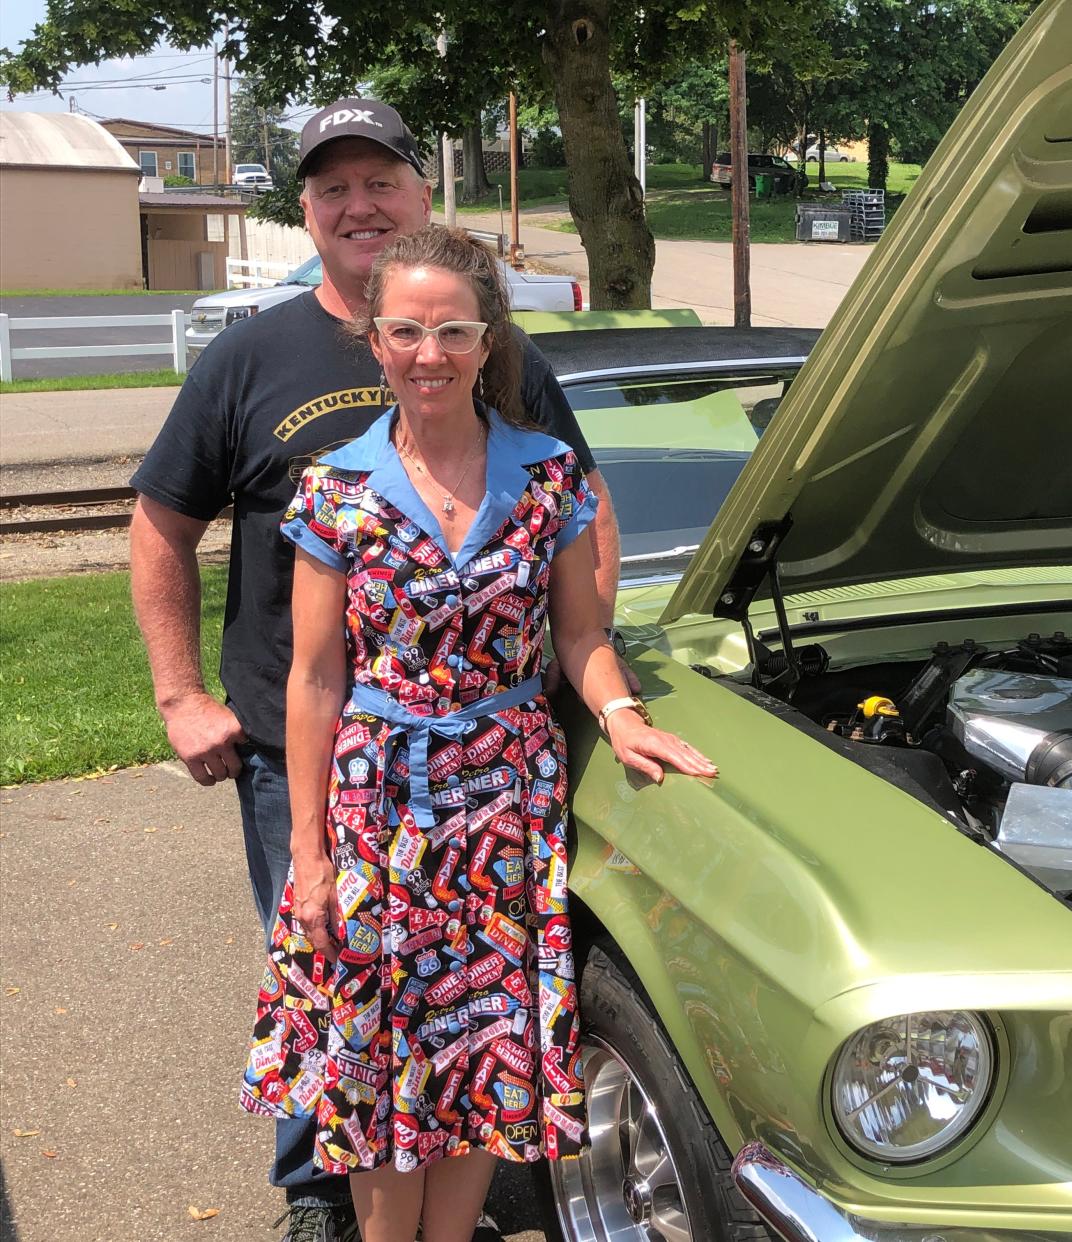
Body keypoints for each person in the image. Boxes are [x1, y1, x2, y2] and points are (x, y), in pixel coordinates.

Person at [129, 98, 626, 1242]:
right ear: (306, 210)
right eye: (331, 188)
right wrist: (179, 694)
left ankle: (435, 1212)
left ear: (419, 192)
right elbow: (161, 524)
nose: (357, 204)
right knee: (343, 991)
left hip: (492, 767)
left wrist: (597, 669)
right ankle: (320, 1205)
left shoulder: (513, 367)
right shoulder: (251, 358)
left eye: (380, 182)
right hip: (312, 746)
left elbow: (577, 510)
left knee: (461, 1016)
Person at [240, 227, 716, 1242]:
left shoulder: (549, 477)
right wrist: (309, 852)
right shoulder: (339, 488)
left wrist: (625, 719)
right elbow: (317, 676)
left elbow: (581, 633)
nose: (429, 354)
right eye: (406, 330)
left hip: (506, 798)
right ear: (375, 341)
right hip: (381, 804)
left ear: (488, 337)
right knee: (380, 1050)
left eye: (453, 330)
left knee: (483, 1045)